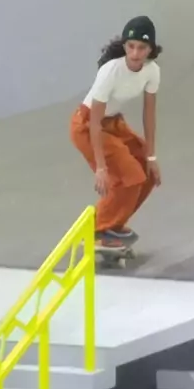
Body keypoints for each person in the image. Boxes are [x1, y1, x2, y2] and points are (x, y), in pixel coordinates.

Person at [69, 15, 162, 253]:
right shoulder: (111, 71)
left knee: (147, 173)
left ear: (151, 49)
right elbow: (94, 121)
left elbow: (149, 115)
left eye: (142, 48)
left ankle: (112, 224)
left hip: (113, 124)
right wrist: (101, 167)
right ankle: (95, 231)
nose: (135, 54)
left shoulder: (152, 71)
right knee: (130, 176)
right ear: (124, 46)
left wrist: (151, 156)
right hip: (88, 125)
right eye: (130, 46)